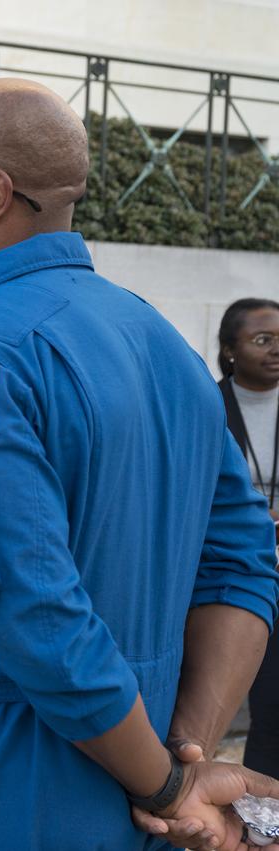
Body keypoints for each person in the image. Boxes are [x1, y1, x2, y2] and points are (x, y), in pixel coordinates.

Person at [0, 77, 279, 851]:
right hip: (145, 770)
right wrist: (184, 751)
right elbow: (243, 566)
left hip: (7, 783)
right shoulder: (163, 343)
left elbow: (26, 606)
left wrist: (169, 784)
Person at [217, 298, 279, 779]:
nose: (276, 349)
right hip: (232, 572)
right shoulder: (207, 405)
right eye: (263, 339)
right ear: (230, 349)